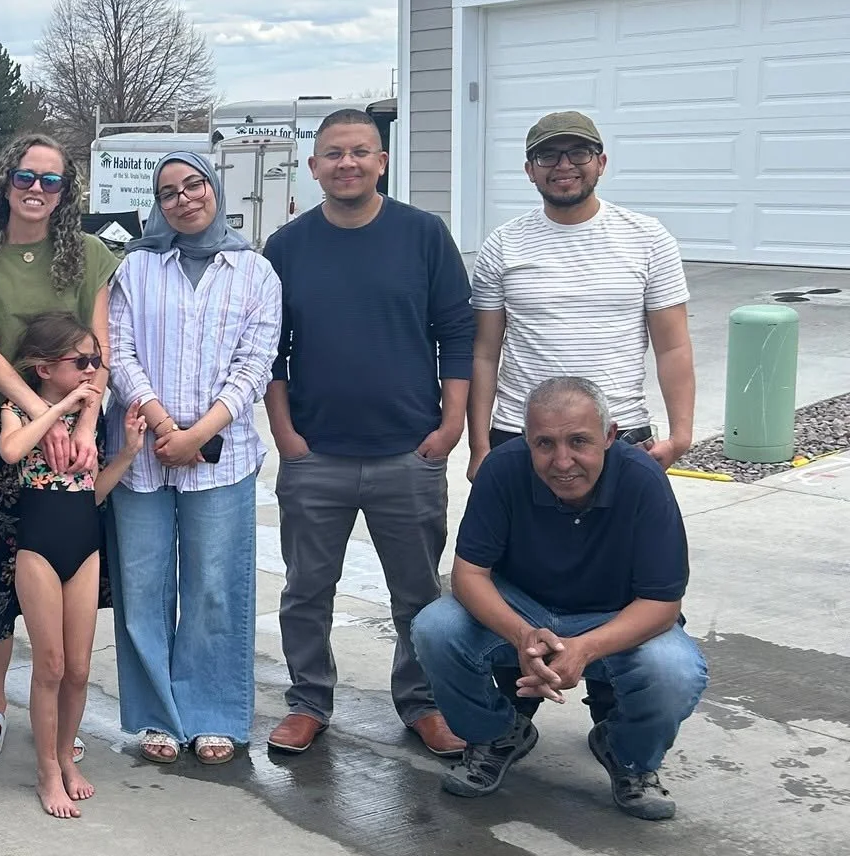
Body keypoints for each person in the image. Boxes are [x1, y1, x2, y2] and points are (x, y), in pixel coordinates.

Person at [262, 108, 473, 760]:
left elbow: (457, 334)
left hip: (407, 451)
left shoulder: (423, 236)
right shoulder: (288, 247)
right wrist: (286, 436)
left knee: (417, 595)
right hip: (316, 454)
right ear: (314, 165)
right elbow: (270, 350)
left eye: (360, 152)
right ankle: (309, 702)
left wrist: (452, 422)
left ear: (381, 161)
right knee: (305, 592)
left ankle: (421, 703)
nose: (346, 163)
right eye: (333, 153)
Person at [413, 376, 707, 820]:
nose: (562, 460)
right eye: (544, 444)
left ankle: (627, 755)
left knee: (673, 670)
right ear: (527, 441)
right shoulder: (503, 469)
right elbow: (469, 574)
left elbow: (662, 603)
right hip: (525, 606)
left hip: (613, 614)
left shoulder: (643, 480)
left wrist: (584, 648)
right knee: (436, 628)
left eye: (579, 442)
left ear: (609, 437)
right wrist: (522, 634)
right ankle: (497, 735)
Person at [108, 152, 281, 767]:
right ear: (157, 203)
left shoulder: (255, 272)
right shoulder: (134, 269)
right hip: (140, 453)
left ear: (214, 188)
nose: (184, 199)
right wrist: (161, 425)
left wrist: (199, 433)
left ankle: (213, 711)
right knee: (144, 586)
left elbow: (254, 366)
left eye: (194, 185)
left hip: (223, 453)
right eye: (169, 191)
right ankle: (157, 714)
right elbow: (119, 354)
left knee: (214, 586)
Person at [0, 134, 121, 761]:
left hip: (76, 424)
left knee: (67, 556)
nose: (36, 190)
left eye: (51, 181)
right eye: (26, 176)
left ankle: (59, 713)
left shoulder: (88, 254)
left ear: (65, 191)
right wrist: (41, 414)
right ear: (6, 180)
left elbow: (97, 352)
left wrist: (82, 426)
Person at [468, 111, 694, 478]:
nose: (563, 165)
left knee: (619, 538)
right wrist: (479, 448)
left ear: (601, 163)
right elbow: (484, 352)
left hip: (618, 433)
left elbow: (673, 348)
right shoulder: (502, 244)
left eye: (578, 153)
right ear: (530, 170)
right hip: (520, 433)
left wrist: (681, 437)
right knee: (519, 539)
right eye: (548, 156)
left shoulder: (649, 238)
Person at [0, 313, 147, 817]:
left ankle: (65, 754)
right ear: (42, 367)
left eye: (96, 361)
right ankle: (46, 770)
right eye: (80, 362)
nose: (91, 371)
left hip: (83, 543)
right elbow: (13, 450)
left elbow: (92, 492)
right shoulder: (16, 410)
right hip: (38, 548)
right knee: (51, 665)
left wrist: (125, 453)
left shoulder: (90, 423)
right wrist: (61, 409)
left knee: (80, 669)